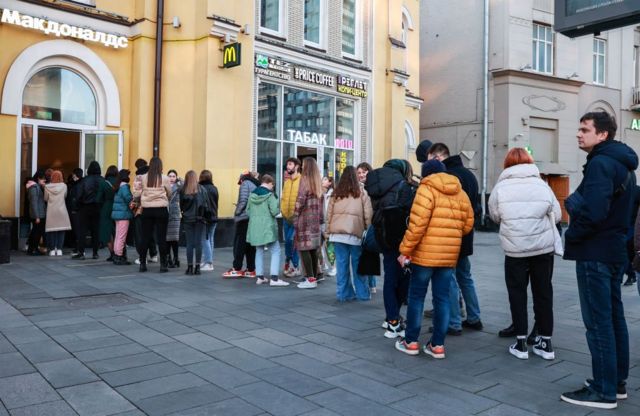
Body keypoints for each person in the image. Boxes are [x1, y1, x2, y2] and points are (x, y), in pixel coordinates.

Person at [560, 112, 637, 410]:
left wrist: (574, 235)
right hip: (615, 250)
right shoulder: (623, 165)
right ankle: (615, 383)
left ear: (602, 135)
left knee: (598, 322)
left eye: (584, 129)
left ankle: (603, 391)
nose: (579, 134)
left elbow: (593, 213)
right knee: (614, 319)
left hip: (597, 252)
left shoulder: (601, 164)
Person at [395, 160, 474, 359]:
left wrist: (405, 249)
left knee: (417, 297)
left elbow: (417, 225)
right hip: (448, 257)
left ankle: (411, 341)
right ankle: (437, 345)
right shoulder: (460, 193)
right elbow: (468, 225)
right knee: (443, 298)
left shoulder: (426, 190)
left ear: (426, 174)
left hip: (424, 256)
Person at [488, 148, 561, 361]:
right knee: (543, 293)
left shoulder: (500, 188)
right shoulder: (542, 185)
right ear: (530, 162)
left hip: (515, 250)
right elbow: (556, 215)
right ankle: (545, 343)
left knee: (517, 293)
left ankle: (520, 343)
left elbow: (494, 216)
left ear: (507, 164)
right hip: (542, 249)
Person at [428, 143, 483, 335]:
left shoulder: (448, 177)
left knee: (448, 279)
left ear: (437, 157)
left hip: (449, 236)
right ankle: (474, 317)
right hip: (466, 235)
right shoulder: (469, 175)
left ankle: (453, 322)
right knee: (465, 277)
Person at [365, 159, 417, 338]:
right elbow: (409, 212)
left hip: (384, 237)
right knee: (404, 277)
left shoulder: (377, 184)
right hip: (402, 239)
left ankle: (391, 319)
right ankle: (394, 321)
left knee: (390, 278)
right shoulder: (403, 185)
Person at [326, 166, 373, 301]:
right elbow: (368, 214)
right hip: (355, 235)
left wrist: (327, 232)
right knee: (358, 265)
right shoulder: (361, 192)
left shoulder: (336, 193)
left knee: (341, 266)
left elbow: (328, 214)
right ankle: (362, 294)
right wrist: (367, 230)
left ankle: (343, 294)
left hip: (338, 235)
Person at [247, 174, 289, 287]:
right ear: (270, 183)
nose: (272, 187)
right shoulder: (270, 195)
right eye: (272, 185)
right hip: (268, 227)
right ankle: (274, 278)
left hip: (255, 227)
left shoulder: (252, 194)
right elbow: (274, 211)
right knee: (275, 250)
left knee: (259, 250)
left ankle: (260, 277)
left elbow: (248, 211)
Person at [132, 157, 172, 272]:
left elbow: (137, 193)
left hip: (147, 210)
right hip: (161, 209)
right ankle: (163, 265)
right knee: (161, 238)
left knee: (145, 237)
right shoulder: (164, 178)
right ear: (160, 166)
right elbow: (169, 192)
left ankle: (142, 264)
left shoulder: (143, 178)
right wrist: (164, 199)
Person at [222, 170, 259, 278]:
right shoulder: (255, 184)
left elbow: (243, 200)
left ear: (242, 178)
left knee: (240, 244)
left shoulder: (245, 184)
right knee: (250, 245)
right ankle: (251, 269)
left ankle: (237, 268)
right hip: (252, 217)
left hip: (243, 218)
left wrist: (237, 212)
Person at [295, 158, 324, 289]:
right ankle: (314, 277)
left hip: (305, 220)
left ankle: (310, 279)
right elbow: (322, 205)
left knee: (304, 248)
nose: (301, 167)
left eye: (303, 165)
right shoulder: (318, 182)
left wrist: (294, 215)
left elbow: (300, 200)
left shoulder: (304, 180)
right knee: (313, 249)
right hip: (316, 221)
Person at [74, 161, 103, 260]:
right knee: (96, 231)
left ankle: (81, 252)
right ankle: (95, 253)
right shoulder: (102, 180)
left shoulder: (85, 180)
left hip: (85, 207)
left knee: (82, 231)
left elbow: (79, 195)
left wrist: (78, 205)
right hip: (98, 207)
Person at [132, 158, 158, 265]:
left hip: (141, 209)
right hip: (154, 208)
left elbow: (136, 194)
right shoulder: (155, 176)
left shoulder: (139, 177)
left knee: (140, 234)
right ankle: (154, 254)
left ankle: (143, 257)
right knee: (151, 232)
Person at [356, 162, 376, 293]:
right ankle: (365, 284)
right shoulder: (356, 188)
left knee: (371, 254)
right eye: (359, 173)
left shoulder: (374, 186)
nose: (361, 175)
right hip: (359, 224)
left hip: (372, 224)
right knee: (362, 254)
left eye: (364, 172)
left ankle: (372, 283)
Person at [180, 170, 205, 275]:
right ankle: (198, 267)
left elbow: (181, 206)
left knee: (189, 244)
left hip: (187, 219)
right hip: (199, 219)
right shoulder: (202, 189)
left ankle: (190, 267)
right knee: (198, 243)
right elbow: (205, 204)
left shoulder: (183, 190)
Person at [281, 158, 302, 277]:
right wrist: (283, 211)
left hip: (296, 218)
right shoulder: (287, 181)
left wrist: (297, 214)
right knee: (287, 242)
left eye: (290, 164)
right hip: (285, 217)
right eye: (287, 164)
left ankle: (295, 266)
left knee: (292, 241)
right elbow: (284, 197)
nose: (287, 166)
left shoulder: (302, 181)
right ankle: (288, 263)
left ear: (297, 166)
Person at [44, 170, 71, 256]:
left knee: (52, 231)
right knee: (61, 230)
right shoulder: (64, 186)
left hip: (51, 211)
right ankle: (59, 249)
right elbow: (65, 196)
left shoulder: (47, 187)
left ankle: (52, 250)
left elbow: (45, 198)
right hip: (62, 210)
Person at [111, 169, 133, 265]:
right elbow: (128, 198)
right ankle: (119, 257)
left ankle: (116, 255)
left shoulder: (118, 185)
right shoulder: (124, 186)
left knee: (118, 235)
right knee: (121, 236)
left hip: (117, 215)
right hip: (123, 214)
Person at [199, 170, 219, 272]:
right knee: (210, 238)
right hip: (214, 216)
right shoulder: (214, 188)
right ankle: (209, 260)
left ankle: (208, 262)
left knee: (204, 239)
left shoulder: (201, 188)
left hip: (205, 217)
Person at [98, 165, 118, 261]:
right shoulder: (120, 182)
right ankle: (119, 252)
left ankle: (112, 253)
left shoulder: (103, 183)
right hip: (118, 207)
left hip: (106, 208)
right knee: (118, 231)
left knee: (107, 231)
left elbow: (98, 198)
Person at [26, 170, 46, 255]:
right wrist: (37, 216)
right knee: (36, 233)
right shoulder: (34, 187)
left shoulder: (37, 186)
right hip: (38, 214)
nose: (44, 181)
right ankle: (32, 249)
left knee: (36, 232)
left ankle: (33, 249)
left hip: (40, 213)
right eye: (43, 179)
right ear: (38, 179)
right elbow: (33, 203)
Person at [166, 169, 182, 268]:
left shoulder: (179, 187)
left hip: (175, 214)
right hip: (166, 214)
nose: (171, 178)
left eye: (173, 176)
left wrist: (180, 180)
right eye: (170, 176)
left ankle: (176, 258)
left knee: (175, 239)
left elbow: (185, 185)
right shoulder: (164, 186)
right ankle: (168, 258)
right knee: (167, 238)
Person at [321, 176, 336, 277]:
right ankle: (323, 264)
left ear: (330, 183)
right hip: (321, 223)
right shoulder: (321, 194)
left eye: (325, 179)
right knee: (320, 246)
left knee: (330, 247)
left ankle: (334, 267)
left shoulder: (333, 194)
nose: (322, 181)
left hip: (330, 223)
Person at [66, 168, 83, 254]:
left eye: (73, 175)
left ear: (76, 175)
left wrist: (74, 209)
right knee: (76, 230)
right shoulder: (76, 184)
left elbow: (76, 198)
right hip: (75, 210)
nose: (72, 176)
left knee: (77, 230)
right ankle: (78, 247)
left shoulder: (78, 185)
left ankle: (79, 248)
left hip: (76, 211)